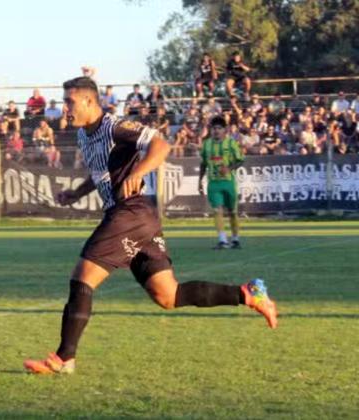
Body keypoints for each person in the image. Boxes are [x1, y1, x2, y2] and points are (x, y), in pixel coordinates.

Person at [23, 77, 278, 375]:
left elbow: (161, 144)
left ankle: (64, 357)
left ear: (90, 102)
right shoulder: (84, 135)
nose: (65, 109)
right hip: (138, 218)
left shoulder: (114, 127)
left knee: (83, 278)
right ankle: (248, 293)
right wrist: (76, 193)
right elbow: (100, 173)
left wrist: (139, 171)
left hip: (130, 212)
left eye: (70, 102)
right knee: (168, 295)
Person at [198, 116, 244, 249]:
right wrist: (200, 181)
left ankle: (235, 239)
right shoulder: (206, 144)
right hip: (213, 183)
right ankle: (222, 240)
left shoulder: (231, 143)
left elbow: (240, 160)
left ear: (225, 130)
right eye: (214, 128)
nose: (216, 131)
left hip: (228, 182)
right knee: (217, 210)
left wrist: (229, 168)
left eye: (219, 128)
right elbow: (203, 164)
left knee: (232, 212)